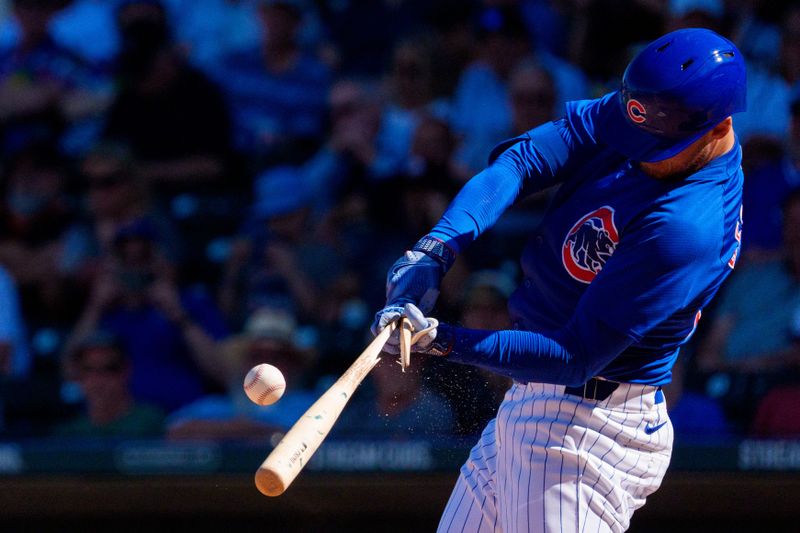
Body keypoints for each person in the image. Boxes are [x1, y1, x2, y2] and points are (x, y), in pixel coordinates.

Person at [372, 29, 747, 532]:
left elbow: (573, 357)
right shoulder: (651, 116)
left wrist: (440, 341)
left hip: (586, 427)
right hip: (542, 402)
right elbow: (522, 160)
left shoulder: (685, 226)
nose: (634, 150)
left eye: (653, 145)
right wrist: (437, 247)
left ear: (718, 128)